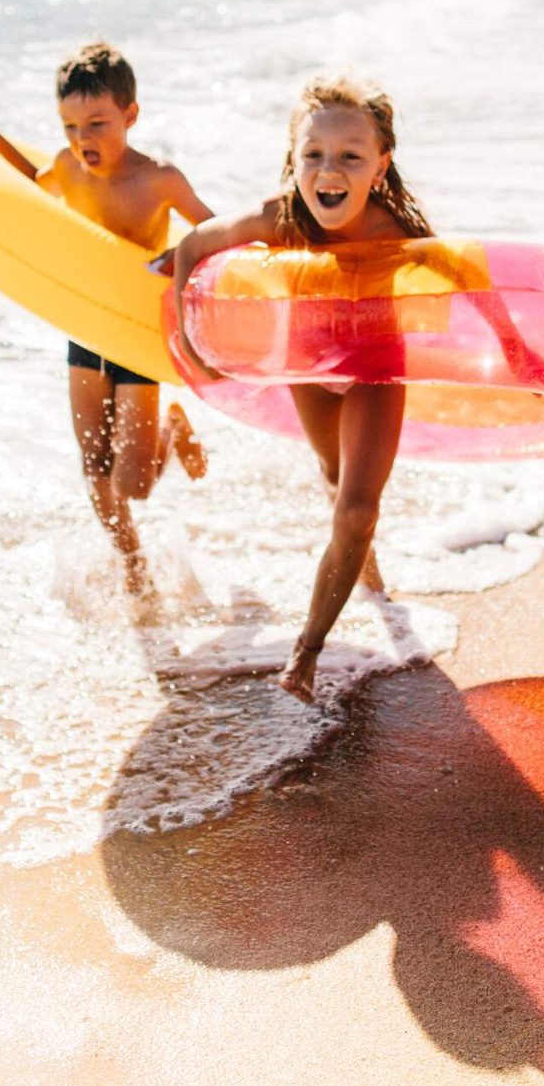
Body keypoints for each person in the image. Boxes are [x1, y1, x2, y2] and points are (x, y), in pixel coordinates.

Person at [166, 76, 431, 700]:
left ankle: (306, 651)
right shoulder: (277, 219)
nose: (328, 170)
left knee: (358, 506)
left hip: (374, 369)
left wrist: (518, 358)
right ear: (294, 159)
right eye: (313, 154)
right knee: (337, 478)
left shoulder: (396, 231)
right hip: (310, 366)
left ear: (380, 165)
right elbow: (192, 248)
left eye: (349, 156)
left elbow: (473, 289)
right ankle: (366, 568)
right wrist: (190, 342)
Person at [0, 41, 211, 595]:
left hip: (136, 330)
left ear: (130, 116)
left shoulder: (158, 179)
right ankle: (133, 565)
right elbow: (28, 185)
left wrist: (183, 260)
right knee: (93, 456)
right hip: (87, 325)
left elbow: (212, 232)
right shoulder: (69, 166)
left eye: (97, 123)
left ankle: (172, 428)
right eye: (70, 125)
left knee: (135, 482)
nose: (82, 139)